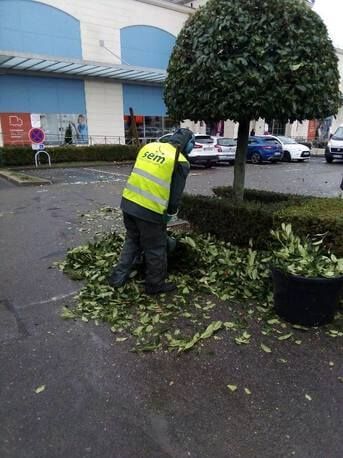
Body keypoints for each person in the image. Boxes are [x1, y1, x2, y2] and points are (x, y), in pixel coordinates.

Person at [108, 128, 195, 295]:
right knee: (156, 248)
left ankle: (117, 279)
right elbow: (175, 196)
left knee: (133, 241)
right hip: (150, 211)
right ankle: (154, 285)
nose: (193, 147)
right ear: (186, 143)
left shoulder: (149, 147)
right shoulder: (180, 160)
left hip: (128, 202)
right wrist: (170, 215)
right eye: (193, 143)